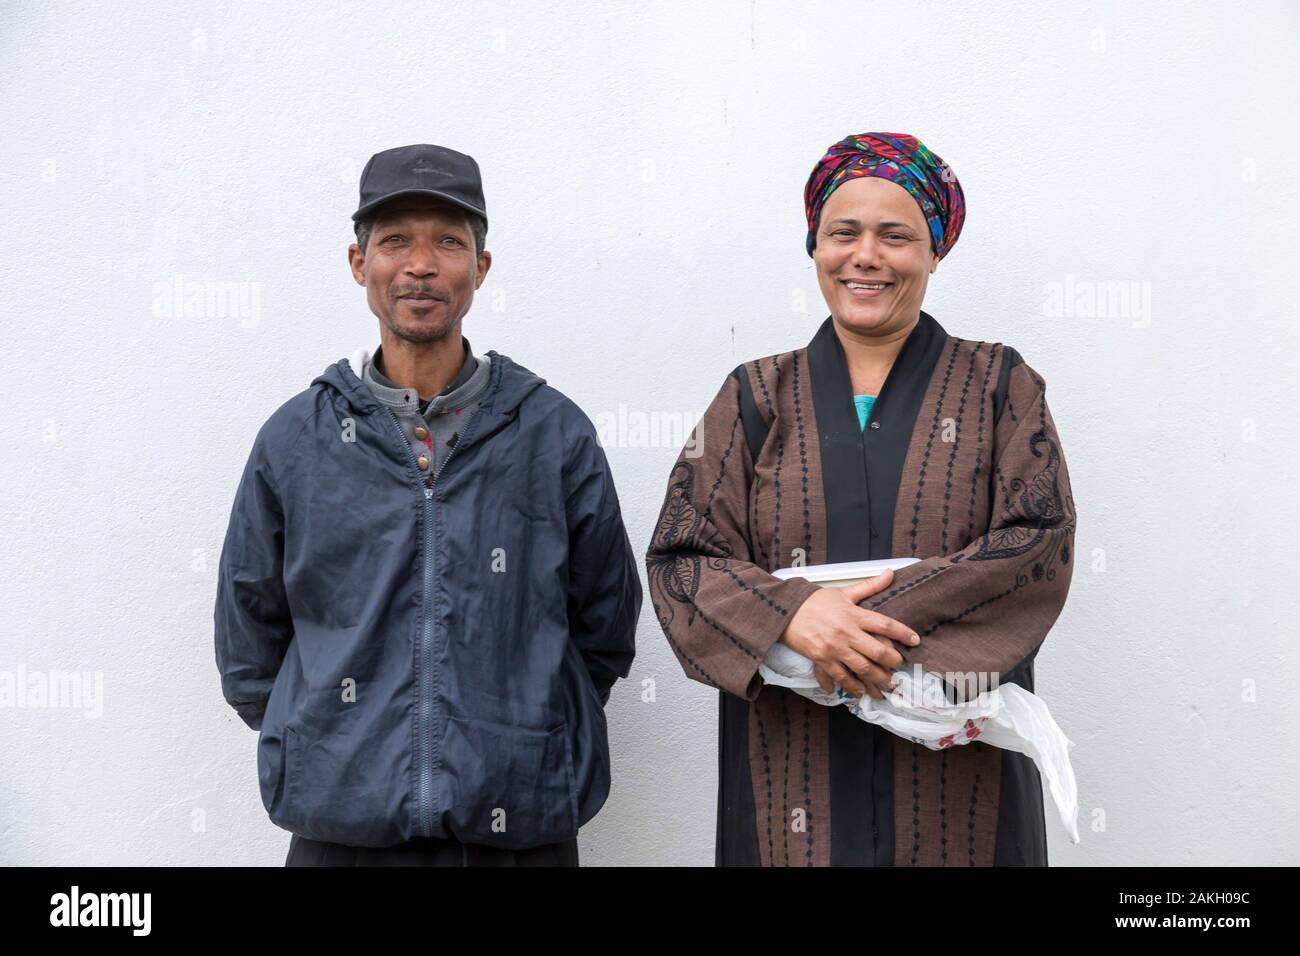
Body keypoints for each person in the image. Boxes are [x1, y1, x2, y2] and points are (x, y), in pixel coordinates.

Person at [645, 132, 1076, 866]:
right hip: (788, 772)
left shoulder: (1000, 386)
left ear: (936, 251)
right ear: (815, 245)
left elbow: (1035, 546)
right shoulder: (754, 397)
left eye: (896, 236)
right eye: (843, 233)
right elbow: (683, 561)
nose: (866, 256)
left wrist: (857, 631)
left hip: (957, 785)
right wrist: (797, 620)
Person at [214, 143, 641, 866]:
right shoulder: (297, 440)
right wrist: (333, 739)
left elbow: (604, 622)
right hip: (341, 828)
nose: (420, 264)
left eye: (448, 241)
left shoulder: (550, 432)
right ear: (360, 264)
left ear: (481, 267)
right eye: (395, 241)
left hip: (520, 825)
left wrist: (525, 732)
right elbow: (248, 639)